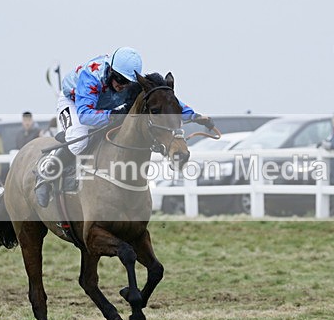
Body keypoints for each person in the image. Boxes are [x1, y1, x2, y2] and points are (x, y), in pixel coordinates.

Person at [36, 47, 213, 206]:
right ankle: (46, 172)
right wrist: (113, 116)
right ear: (111, 71)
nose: (123, 85)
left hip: (104, 105)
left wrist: (194, 116)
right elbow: (84, 115)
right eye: (119, 79)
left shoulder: (133, 82)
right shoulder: (91, 77)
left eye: (127, 81)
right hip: (75, 103)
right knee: (78, 142)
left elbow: (165, 101)